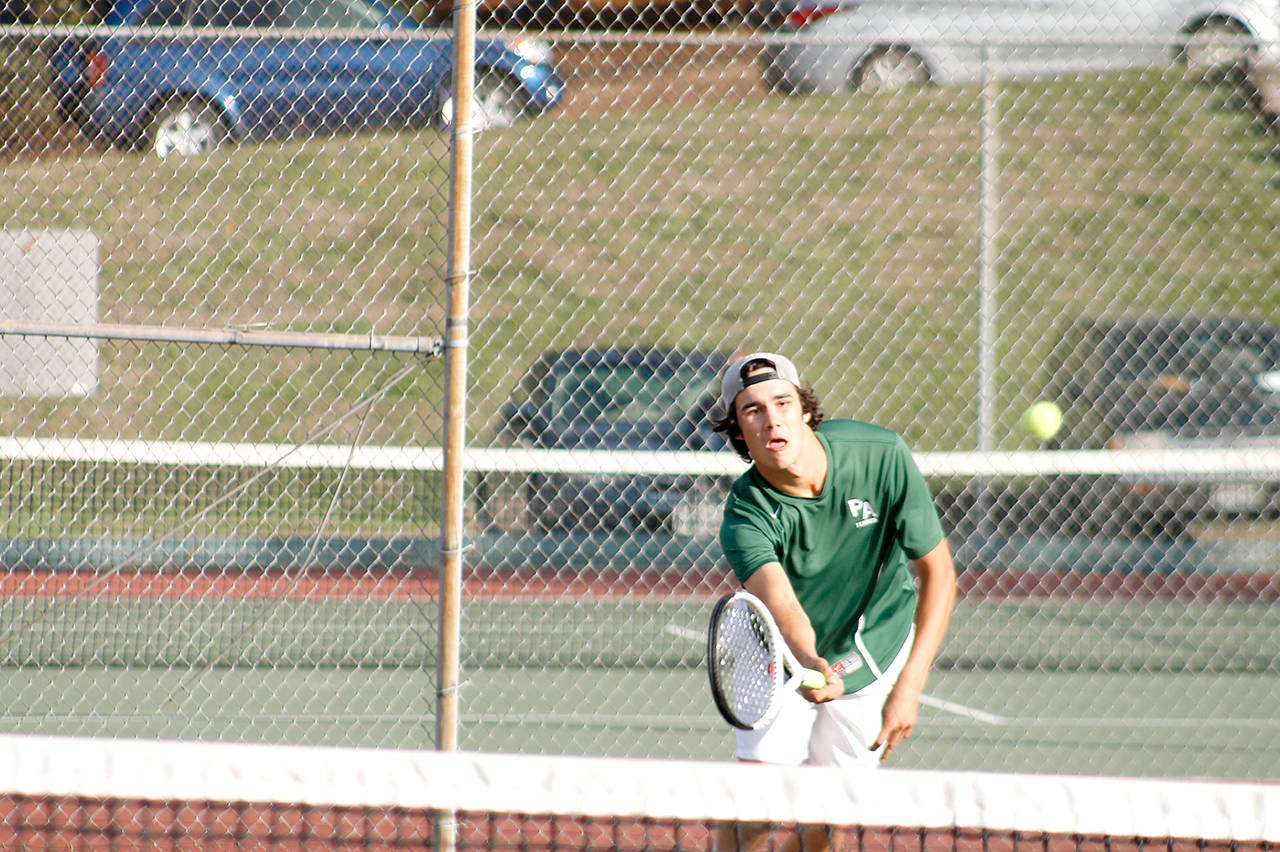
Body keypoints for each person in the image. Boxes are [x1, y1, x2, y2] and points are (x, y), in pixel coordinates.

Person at [710, 352, 956, 840]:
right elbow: (782, 605)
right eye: (753, 410)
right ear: (739, 432)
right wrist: (809, 662)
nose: (772, 418)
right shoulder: (745, 515)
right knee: (757, 808)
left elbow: (940, 575)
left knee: (830, 819)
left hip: (876, 642)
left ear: (804, 410)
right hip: (777, 652)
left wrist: (908, 688)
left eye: (782, 402)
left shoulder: (880, 454)